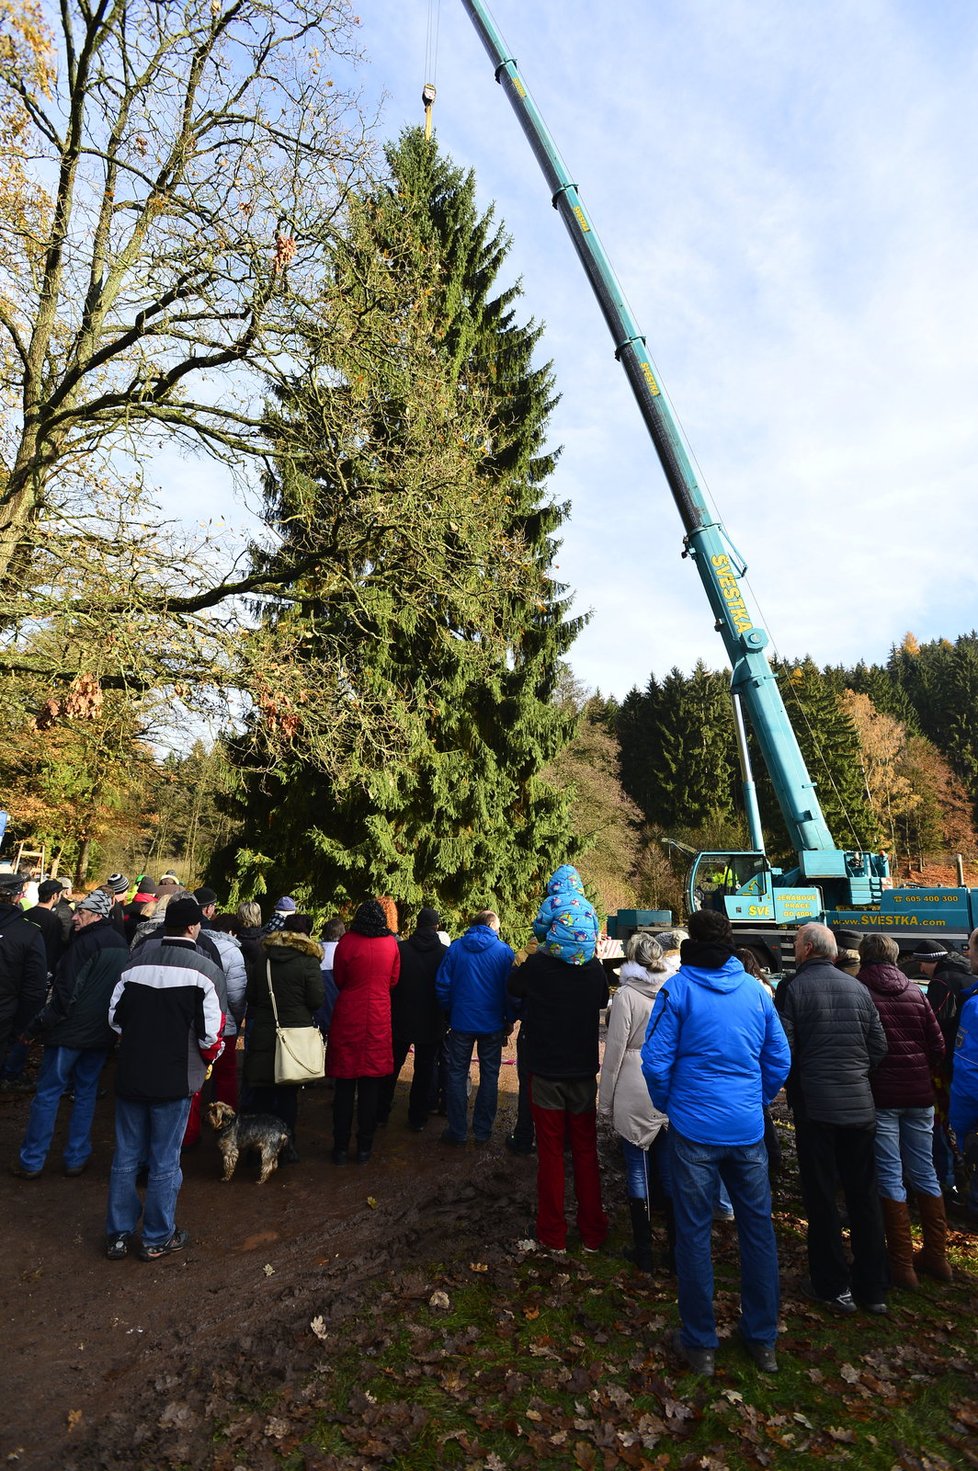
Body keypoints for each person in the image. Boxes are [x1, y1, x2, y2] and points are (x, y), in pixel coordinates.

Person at [642, 908, 790, 1377]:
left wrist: (673, 1105)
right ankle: (762, 1338)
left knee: (693, 1232)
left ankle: (701, 1342)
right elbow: (779, 1058)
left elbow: (654, 1061)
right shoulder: (755, 991)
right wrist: (756, 1099)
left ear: (690, 945)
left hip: (695, 1130)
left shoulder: (679, 990)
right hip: (745, 1129)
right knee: (757, 1231)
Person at [776, 922, 889, 1316]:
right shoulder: (858, 989)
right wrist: (854, 1073)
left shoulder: (793, 988)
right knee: (863, 1196)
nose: (794, 949)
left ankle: (830, 1283)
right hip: (859, 1107)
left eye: (795, 944)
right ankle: (873, 1287)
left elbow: (783, 1048)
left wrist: (800, 1081)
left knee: (822, 1197)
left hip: (817, 1109)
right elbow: (879, 1046)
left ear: (807, 949)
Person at [104, 896, 224, 1261]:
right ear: (193, 927)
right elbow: (210, 1036)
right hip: (175, 1077)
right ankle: (157, 1236)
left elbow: (114, 1018)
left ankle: (119, 1234)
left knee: (125, 1156)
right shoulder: (204, 971)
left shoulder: (134, 964)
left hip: (132, 1071)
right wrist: (209, 1059)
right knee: (165, 1159)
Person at [509, 865, 608, 1254]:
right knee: (585, 1150)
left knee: (549, 1153)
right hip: (583, 1069)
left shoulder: (537, 966)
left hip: (546, 1070)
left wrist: (529, 956)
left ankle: (553, 1233)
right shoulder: (594, 970)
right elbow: (600, 1000)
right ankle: (594, 1233)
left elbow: (514, 988)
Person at [11, 889, 128, 1178]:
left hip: (68, 1033)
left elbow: (65, 996)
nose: (75, 917)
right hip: (101, 1034)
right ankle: (76, 1156)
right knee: (86, 1094)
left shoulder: (82, 945)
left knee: (48, 1094)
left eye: (81, 913)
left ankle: (32, 1160)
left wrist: (35, 1028)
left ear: (96, 916)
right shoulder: (121, 945)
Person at [855, 933, 948, 1286]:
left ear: (864, 956)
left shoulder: (860, 990)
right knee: (924, 1170)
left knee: (891, 1173)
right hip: (920, 1095)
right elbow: (937, 1045)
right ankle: (937, 1256)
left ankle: (901, 1264)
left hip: (881, 1096)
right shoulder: (914, 991)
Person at [598, 930, 671, 1272]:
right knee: (669, 1172)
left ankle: (643, 1251)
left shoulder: (626, 995)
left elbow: (614, 1052)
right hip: (667, 1085)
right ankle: (675, 1250)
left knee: (637, 1170)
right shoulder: (674, 990)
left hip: (632, 1081)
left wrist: (606, 1101)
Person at [243, 913, 324, 1161]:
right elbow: (317, 1000)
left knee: (262, 1095)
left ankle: (255, 1150)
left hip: (265, 1032)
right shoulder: (308, 961)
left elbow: (252, 996)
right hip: (295, 1035)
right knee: (288, 1096)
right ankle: (285, 1149)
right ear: (306, 934)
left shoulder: (265, 958)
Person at [326, 899, 399, 1164]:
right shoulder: (390, 944)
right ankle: (365, 1147)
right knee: (371, 1084)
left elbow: (339, 978)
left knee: (345, 1084)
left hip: (349, 1013)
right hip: (378, 1015)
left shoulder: (347, 942)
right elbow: (393, 979)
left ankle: (341, 1147)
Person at [436, 909, 514, 1146]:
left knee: (457, 1074)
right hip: (492, 1024)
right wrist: (509, 1019)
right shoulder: (503, 952)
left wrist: (449, 1012)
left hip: (461, 1022)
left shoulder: (456, 948)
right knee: (489, 1076)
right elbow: (511, 991)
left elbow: (442, 985)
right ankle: (482, 1131)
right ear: (492, 926)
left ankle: (457, 1130)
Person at [378, 907, 447, 1132]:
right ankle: (417, 1117)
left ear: (417, 924)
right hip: (431, 1019)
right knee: (424, 1070)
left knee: (392, 1066)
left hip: (401, 1017)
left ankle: (381, 1111)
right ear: (436, 926)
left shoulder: (401, 949)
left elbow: (390, 982)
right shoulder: (444, 953)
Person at [915, 937, 972, 1195]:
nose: (920, 970)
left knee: (943, 1123)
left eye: (922, 964)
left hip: (947, 1063)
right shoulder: (968, 977)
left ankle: (947, 1180)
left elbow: (934, 1024)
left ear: (931, 962)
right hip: (967, 1059)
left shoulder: (941, 981)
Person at [0, 872, 48, 1093]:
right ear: (17, 897)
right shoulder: (27, 932)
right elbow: (34, 988)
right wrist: (24, 1025)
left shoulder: (28, 931)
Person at [948, 928, 978, 1213]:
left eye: (970, 947)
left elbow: (969, 1069)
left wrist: (961, 1122)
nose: (967, 954)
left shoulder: (975, 1006)